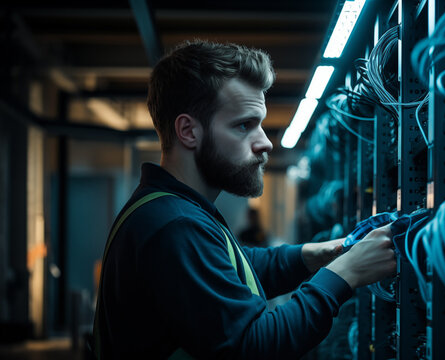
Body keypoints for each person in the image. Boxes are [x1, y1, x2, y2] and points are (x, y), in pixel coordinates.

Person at [93, 40, 396, 359]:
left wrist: (315, 256)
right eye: (243, 126)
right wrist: (345, 274)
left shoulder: (168, 208)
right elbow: (254, 346)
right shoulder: (175, 225)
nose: (265, 142)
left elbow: (227, 268)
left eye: (260, 124)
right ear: (189, 131)